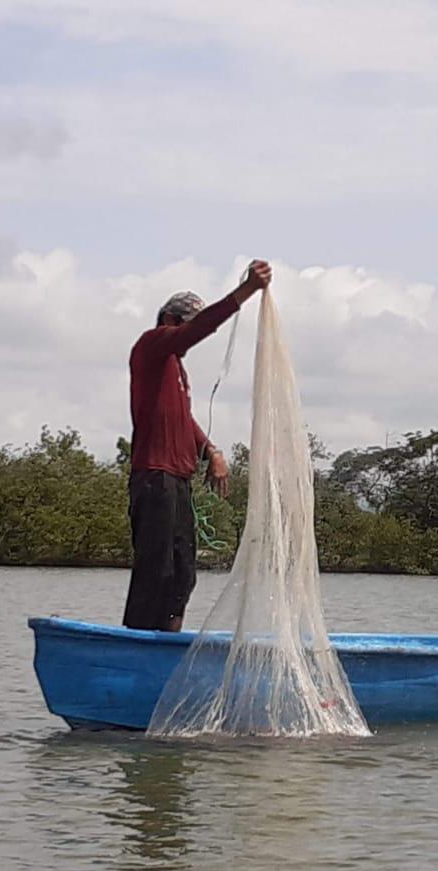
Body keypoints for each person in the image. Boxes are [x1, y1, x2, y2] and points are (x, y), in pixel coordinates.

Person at [122, 260, 273, 631]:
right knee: (156, 571)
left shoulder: (175, 367)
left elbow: (183, 421)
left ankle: (167, 646)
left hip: (177, 481)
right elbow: (198, 330)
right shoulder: (152, 345)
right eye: (189, 324)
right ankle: (136, 646)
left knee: (182, 573)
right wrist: (246, 292)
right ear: (173, 321)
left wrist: (213, 452)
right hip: (154, 477)